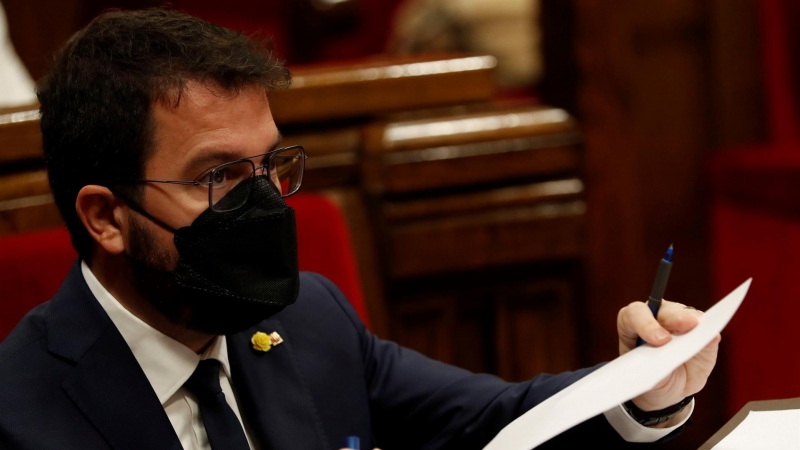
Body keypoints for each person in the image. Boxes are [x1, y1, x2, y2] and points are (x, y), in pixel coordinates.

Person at [0, 9, 719, 450]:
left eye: (270, 165)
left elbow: (496, 423)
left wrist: (639, 383)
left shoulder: (308, 319)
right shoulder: (20, 414)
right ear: (105, 217)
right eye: (219, 177)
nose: (264, 206)